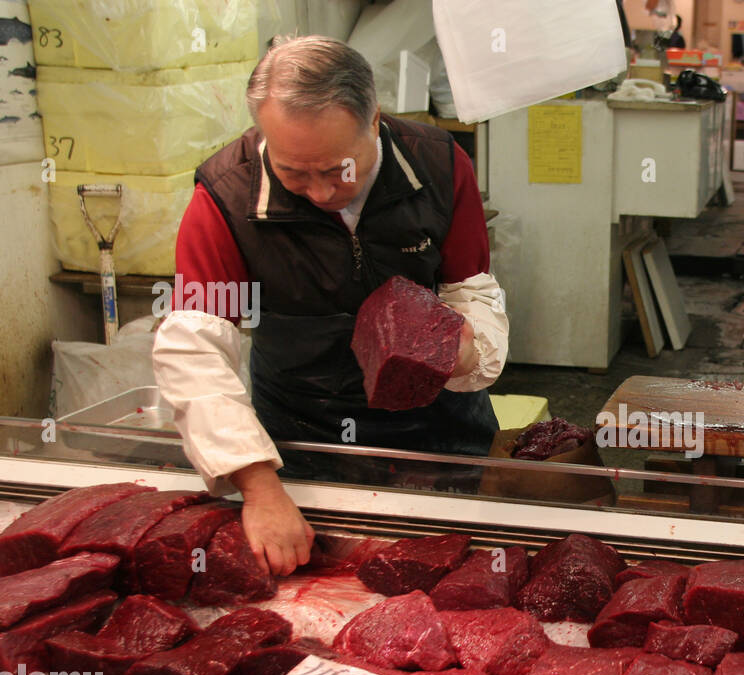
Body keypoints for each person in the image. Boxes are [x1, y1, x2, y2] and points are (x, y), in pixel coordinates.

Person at [153, 36, 508, 576]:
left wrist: (469, 349)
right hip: (302, 439)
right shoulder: (226, 195)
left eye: (338, 169)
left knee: (449, 591)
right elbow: (195, 348)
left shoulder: (437, 164)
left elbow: (470, 287)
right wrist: (258, 485)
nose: (320, 192)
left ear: (374, 121)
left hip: (438, 433)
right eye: (295, 173)